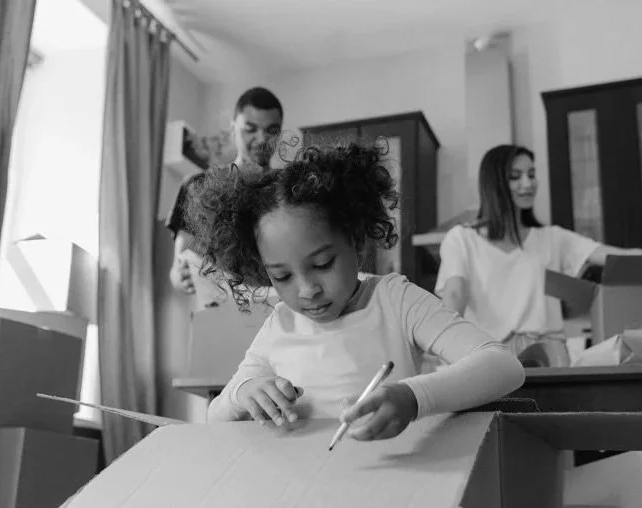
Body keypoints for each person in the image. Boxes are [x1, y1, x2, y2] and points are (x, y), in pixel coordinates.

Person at [187, 141, 525, 441]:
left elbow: (503, 367)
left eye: (322, 264)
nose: (307, 291)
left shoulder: (395, 300)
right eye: (282, 276)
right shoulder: (279, 323)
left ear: (357, 241)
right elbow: (214, 415)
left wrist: (412, 398)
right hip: (303, 495)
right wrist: (245, 391)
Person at [435, 144, 642, 364]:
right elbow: (454, 295)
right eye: (515, 177)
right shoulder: (462, 238)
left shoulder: (552, 238)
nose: (528, 183)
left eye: (532, 174)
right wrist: (445, 351)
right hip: (490, 359)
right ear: (494, 183)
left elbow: (617, 257)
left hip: (550, 358)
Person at [166, 87, 284, 297]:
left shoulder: (290, 188)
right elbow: (180, 263)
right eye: (250, 129)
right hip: (219, 310)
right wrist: (179, 275)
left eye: (271, 130)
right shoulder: (198, 186)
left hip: (280, 307)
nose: (261, 139)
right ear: (233, 129)